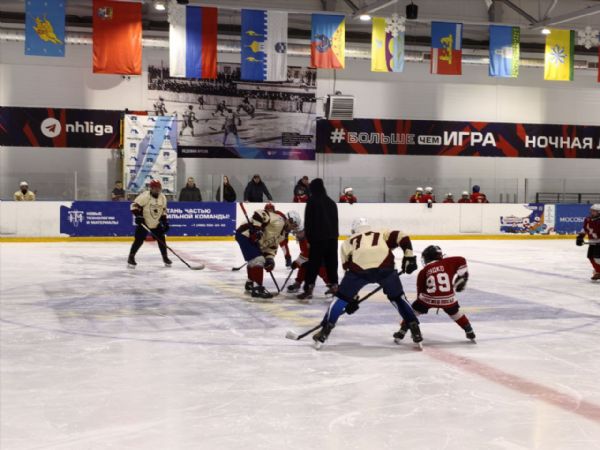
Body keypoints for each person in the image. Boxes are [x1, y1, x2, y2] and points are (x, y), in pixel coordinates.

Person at [311, 217, 422, 349]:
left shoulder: (347, 242)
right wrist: (409, 256)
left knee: (340, 299)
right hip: (385, 268)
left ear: (354, 230)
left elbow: (347, 268)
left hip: (359, 270)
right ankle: (414, 327)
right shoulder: (380, 233)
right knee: (398, 298)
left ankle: (325, 330)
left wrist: (351, 298)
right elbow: (401, 236)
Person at [394, 245, 475, 342]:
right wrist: (463, 276)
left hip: (428, 300)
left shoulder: (424, 271)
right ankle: (469, 330)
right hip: (448, 299)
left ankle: (402, 331)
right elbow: (461, 260)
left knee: (413, 311)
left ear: (428, 257)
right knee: (455, 312)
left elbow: (420, 291)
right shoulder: (448, 262)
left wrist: (421, 303)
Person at [235, 206, 299, 299]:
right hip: (245, 234)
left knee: (255, 260)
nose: (293, 229)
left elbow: (272, 247)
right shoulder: (279, 219)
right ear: (290, 220)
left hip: (252, 239)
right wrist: (257, 229)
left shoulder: (283, 234)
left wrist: (269, 259)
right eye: (294, 225)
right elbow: (259, 214)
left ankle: (250, 283)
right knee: (258, 259)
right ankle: (258, 289)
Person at [299, 178, 339, 300]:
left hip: (318, 239)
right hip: (332, 239)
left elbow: (309, 222)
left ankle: (308, 289)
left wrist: (309, 239)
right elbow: (335, 221)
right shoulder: (331, 202)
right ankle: (335, 286)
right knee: (332, 264)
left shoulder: (312, 201)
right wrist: (335, 236)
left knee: (313, 265)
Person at [284, 210, 331, 297]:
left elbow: (307, 253)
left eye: (297, 233)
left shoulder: (307, 236)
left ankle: (332, 285)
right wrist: (298, 262)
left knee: (320, 268)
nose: (296, 235)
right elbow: (305, 253)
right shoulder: (302, 232)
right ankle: (298, 283)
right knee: (304, 266)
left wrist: (297, 262)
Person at [127, 179, 171, 268]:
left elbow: (163, 210)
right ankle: (131, 257)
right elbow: (133, 206)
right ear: (151, 188)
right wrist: (138, 216)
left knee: (161, 240)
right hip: (144, 223)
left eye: (159, 188)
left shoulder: (162, 197)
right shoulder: (145, 196)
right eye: (155, 188)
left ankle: (165, 257)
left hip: (156, 223)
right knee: (138, 240)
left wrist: (165, 221)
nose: (157, 189)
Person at [576, 204, 600, 281]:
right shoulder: (587, 219)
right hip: (592, 241)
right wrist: (580, 237)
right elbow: (585, 229)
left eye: (594, 211)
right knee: (590, 257)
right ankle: (598, 272)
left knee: (597, 258)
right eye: (591, 211)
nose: (592, 212)